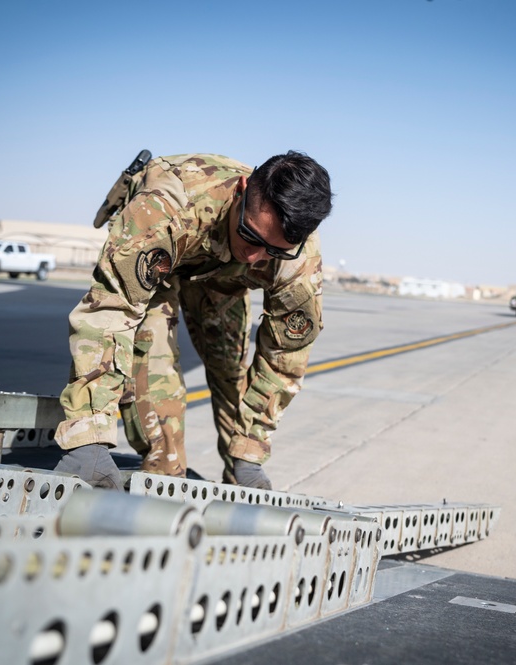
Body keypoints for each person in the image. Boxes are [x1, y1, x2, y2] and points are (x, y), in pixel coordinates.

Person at [54, 151, 333, 491]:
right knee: (154, 364)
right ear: (242, 190)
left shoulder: (297, 254)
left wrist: (250, 453)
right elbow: (110, 310)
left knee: (229, 369)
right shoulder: (168, 205)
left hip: (222, 279)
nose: (254, 256)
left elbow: (284, 357)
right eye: (250, 234)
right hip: (164, 259)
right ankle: (163, 477)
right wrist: (88, 436)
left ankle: (239, 468)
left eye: (273, 251)